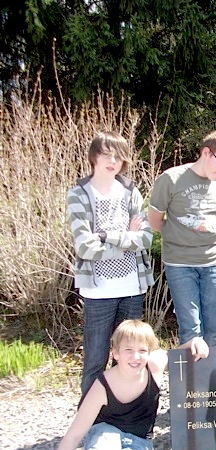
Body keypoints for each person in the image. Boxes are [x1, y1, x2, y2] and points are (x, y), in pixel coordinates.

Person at [15, 320, 209, 450]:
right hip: (106, 432)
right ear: (115, 353)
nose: (136, 357)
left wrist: (196, 341)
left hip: (140, 441)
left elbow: (182, 352)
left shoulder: (155, 365)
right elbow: (73, 435)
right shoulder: (102, 385)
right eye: (128, 350)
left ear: (149, 352)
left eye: (142, 350)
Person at [67, 131, 154, 397]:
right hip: (98, 291)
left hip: (132, 288)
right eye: (106, 154)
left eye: (118, 156)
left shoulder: (130, 191)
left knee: (130, 359)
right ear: (94, 157)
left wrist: (106, 236)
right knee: (95, 360)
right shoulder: (79, 194)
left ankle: (125, 410)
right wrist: (126, 238)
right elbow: (85, 247)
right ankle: (90, 414)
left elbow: (145, 239)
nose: (113, 161)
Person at [148, 130, 216, 348]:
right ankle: (192, 371)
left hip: (214, 262)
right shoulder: (171, 179)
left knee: (214, 326)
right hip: (180, 263)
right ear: (206, 153)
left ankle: (211, 370)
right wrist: (179, 236)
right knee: (191, 329)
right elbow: (155, 221)